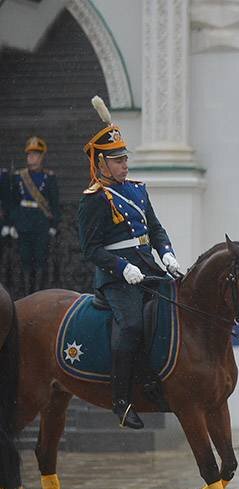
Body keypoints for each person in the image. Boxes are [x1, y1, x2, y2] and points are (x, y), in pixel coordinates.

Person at [77, 96, 182, 428]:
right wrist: (122, 267)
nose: (125, 165)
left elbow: (155, 227)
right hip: (116, 276)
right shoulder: (94, 199)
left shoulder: (137, 190)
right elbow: (90, 248)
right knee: (133, 324)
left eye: (125, 159)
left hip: (147, 266)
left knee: (172, 311)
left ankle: (157, 379)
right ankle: (121, 399)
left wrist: (166, 253)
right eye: (117, 161)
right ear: (102, 164)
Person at [3, 137, 60, 294]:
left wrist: (54, 225)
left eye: (34, 155)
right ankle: (26, 292)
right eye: (29, 155)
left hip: (41, 223)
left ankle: (38, 292)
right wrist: (12, 223)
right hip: (23, 222)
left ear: (41, 157)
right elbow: (13, 202)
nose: (31, 158)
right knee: (25, 260)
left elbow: (54, 203)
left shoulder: (49, 178)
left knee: (40, 260)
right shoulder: (18, 177)